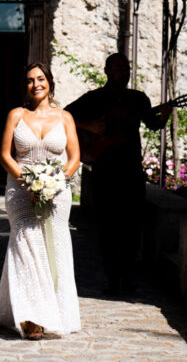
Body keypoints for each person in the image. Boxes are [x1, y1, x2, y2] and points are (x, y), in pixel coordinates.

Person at [0, 62, 81, 340]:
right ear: (26, 86)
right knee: (26, 247)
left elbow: (74, 159)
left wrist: (55, 184)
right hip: (21, 192)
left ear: (50, 82)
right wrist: (29, 182)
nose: (36, 84)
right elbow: (5, 156)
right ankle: (32, 318)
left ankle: (55, 311)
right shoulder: (16, 115)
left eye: (41, 79)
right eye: (31, 80)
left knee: (53, 249)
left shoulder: (65, 117)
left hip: (57, 193)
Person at [65, 53, 172, 294]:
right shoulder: (94, 99)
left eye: (127, 68)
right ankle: (113, 280)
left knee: (133, 227)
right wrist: (89, 126)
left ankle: (128, 279)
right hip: (104, 171)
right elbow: (65, 115)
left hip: (132, 170)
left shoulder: (138, 99)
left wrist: (163, 117)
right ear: (107, 71)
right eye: (119, 68)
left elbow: (153, 125)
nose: (124, 72)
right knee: (109, 227)